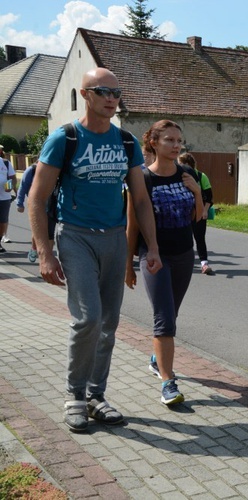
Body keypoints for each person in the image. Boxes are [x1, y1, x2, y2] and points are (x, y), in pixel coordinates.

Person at [28, 67, 162, 432]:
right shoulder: (64, 139)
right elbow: (36, 199)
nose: (111, 98)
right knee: (88, 317)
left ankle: (95, 395)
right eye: (103, 91)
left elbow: (141, 199)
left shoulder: (127, 142)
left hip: (114, 238)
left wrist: (151, 246)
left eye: (116, 92)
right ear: (85, 95)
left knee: (109, 323)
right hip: (75, 236)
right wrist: (44, 252)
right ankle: (74, 395)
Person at [126, 120, 203, 406]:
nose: (176, 145)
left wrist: (197, 192)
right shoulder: (143, 178)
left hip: (184, 255)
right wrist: (128, 266)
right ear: (154, 143)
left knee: (172, 314)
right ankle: (168, 382)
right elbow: (132, 226)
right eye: (169, 140)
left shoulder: (187, 173)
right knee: (164, 319)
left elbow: (198, 218)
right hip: (153, 256)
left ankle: (157, 358)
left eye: (179, 140)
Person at [178, 152, 214, 275]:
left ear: (189, 164)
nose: (180, 166)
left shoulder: (200, 176)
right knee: (184, 238)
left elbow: (209, 196)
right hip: (184, 212)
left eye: (182, 164)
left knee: (199, 238)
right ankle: (187, 262)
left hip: (199, 211)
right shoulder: (178, 176)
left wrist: (204, 210)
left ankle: (204, 263)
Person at [16, 161, 56, 262]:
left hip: (52, 205)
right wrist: (19, 203)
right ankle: (34, 249)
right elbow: (23, 186)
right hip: (37, 206)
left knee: (50, 233)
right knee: (39, 230)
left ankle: (48, 257)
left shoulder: (55, 170)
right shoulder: (32, 170)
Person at [0, 146, 17, 251]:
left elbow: (13, 178)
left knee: (3, 221)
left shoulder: (5, 163)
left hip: (4, 197)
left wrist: (11, 187)